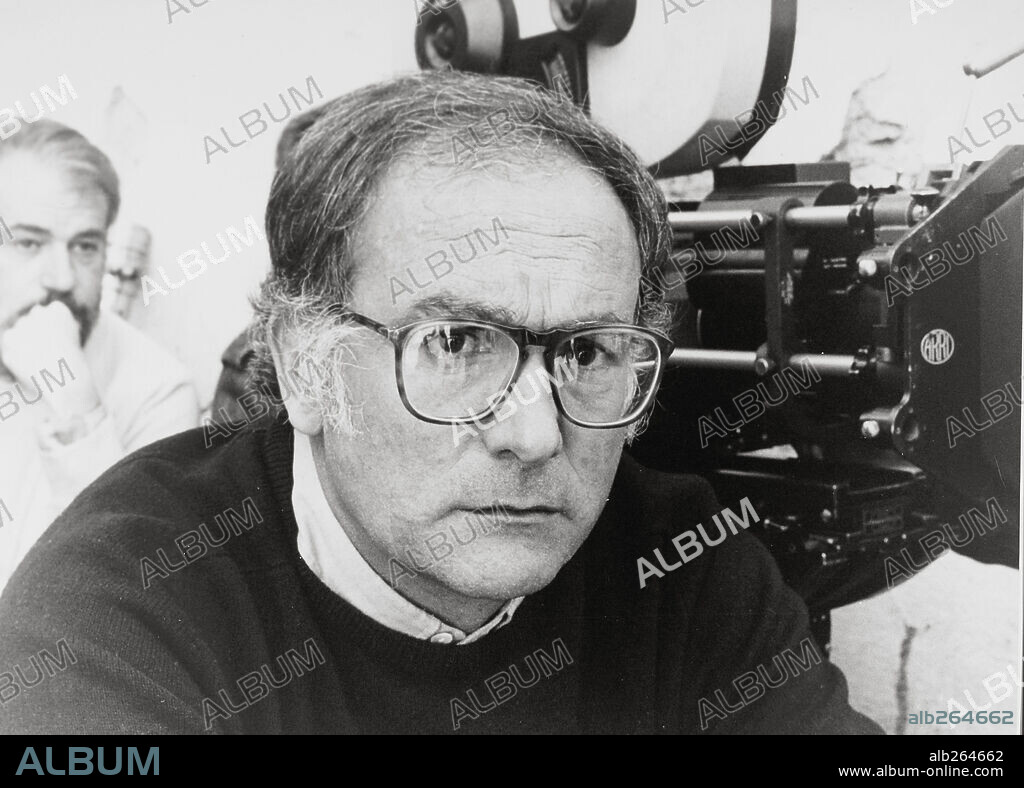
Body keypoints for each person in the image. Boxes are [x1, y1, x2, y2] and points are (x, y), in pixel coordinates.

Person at [0, 73, 880, 734]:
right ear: (306, 367)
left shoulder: (682, 564)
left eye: (586, 351)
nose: (536, 434)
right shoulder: (125, 608)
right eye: (455, 344)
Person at [0, 120, 199, 592]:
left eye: (85, 247)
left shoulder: (158, 390)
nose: (62, 279)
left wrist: (79, 411)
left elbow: (131, 590)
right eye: (28, 242)